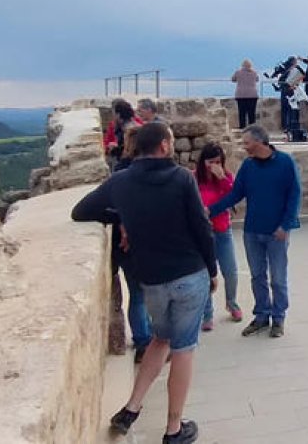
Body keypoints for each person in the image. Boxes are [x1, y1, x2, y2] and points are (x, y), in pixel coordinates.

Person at [71, 122, 218, 442]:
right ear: (165, 146)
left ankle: (132, 408)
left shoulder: (120, 182)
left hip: (151, 279)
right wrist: (213, 269)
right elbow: (201, 226)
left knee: (160, 339)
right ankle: (174, 429)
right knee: (183, 350)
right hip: (188, 275)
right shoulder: (181, 178)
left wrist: (122, 216)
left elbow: (80, 212)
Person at [207, 124, 301, 338]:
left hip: (277, 232)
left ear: (260, 142)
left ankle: (278, 318)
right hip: (252, 231)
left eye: (247, 143)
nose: (244, 147)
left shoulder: (285, 163)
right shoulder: (248, 166)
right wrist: (210, 211)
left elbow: (295, 195)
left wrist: (286, 225)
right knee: (257, 276)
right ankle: (261, 315)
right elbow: (235, 195)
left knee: (277, 277)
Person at [111, 125, 152, 362]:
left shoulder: (119, 171)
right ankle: (148, 340)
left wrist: (122, 224)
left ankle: (143, 342)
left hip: (126, 245)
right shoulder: (149, 172)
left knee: (137, 295)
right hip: (146, 243)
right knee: (145, 294)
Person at [195, 142, 243, 328]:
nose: (214, 165)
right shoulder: (194, 179)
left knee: (230, 271)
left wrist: (223, 178)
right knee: (206, 274)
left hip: (222, 230)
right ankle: (207, 313)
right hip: (203, 233)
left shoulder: (226, 177)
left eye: (218, 161)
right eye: (211, 161)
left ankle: (232, 303)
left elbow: (233, 196)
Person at [104, 98, 141, 166]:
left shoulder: (128, 130)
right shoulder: (137, 124)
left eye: (114, 114)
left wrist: (114, 149)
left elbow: (129, 151)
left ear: (118, 115)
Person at [231, 60, 260, 129]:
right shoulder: (254, 73)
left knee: (242, 112)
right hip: (252, 95)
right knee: (252, 113)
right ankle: (252, 128)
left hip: (241, 95)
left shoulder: (238, 72)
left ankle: (242, 127)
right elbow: (257, 79)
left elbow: (233, 79)